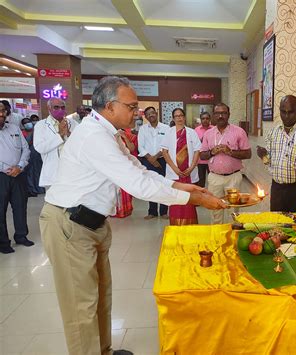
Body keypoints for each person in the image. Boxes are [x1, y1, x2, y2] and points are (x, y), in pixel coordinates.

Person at [39, 76, 226, 355]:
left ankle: (104, 350)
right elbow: (137, 185)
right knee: (81, 308)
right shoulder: (93, 136)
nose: (137, 112)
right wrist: (193, 197)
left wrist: (180, 185)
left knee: (101, 296)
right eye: (132, 106)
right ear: (110, 106)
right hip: (70, 226)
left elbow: (139, 170)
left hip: (92, 224)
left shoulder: (110, 133)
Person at [257, 95, 296, 212]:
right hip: (277, 188)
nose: (286, 116)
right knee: (277, 224)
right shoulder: (274, 132)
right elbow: (269, 160)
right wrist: (263, 155)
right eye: (283, 112)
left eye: (291, 112)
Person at [200, 103, 251, 223]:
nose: (220, 116)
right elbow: (202, 155)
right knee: (215, 209)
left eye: (224, 113)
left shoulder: (239, 132)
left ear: (229, 115)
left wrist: (230, 152)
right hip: (214, 178)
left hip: (233, 177)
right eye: (217, 113)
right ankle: (218, 237)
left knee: (233, 211)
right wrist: (212, 152)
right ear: (214, 115)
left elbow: (248, 154)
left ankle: (232, 236)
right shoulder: (208, 134)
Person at [0, 102, 34, 254]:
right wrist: (6, 169)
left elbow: (25, 149)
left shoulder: (13, 128)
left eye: (2, 111)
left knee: (20, 206)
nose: (1, 114)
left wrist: (19, 166)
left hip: (18, 174)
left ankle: (21, 236)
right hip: (2, 176)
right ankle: (3, 242)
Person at [162, 108, 201, 225]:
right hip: (174, 172)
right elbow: (164, 152)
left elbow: (197, 151)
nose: (179, 118)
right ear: (173, 119)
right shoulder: (169, 132)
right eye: (176, 116)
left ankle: (190, 225)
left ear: (184, 117)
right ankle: (175, 225)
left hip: (189, 172)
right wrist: (175, 169)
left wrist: (192, 167)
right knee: (175, 199)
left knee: (189, 199)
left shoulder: (191, 132)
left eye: (181, 116)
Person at [33, 98, 78, 188]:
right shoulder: (41, 125)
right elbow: (40, 148)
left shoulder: (73, 123)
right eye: (56, 107)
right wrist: (60, 135)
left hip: (72, 172)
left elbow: (80, 144)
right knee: (53, 202)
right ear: (49, 108)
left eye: (62, 107)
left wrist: (69, 134)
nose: (60, 110)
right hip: (52, 174)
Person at [138, 106, 170, 219]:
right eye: (148, 114)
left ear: (156, 113)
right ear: (146, 117)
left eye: (152, 113)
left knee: (164, 185)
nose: (151, 115)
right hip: (147, 160)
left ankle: (164, 211)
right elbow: (140, 146)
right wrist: (150, 158)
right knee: (150, 186)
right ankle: (152, 212)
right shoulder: (143, 129)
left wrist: (156, 157)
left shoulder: (166, 128)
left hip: (163, 159)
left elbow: (167, 145)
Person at [112, 127, 138, 218]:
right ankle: (115, 211)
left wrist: (124, 136)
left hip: (127, 165)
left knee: (125, 189)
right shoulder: (109, 136)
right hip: (114, 166)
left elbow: (131, 148)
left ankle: (125, 209)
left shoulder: (127, 134)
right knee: (115, 190)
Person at [21, 117, 45, 197]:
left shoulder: (36, 131)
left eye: (29, 122)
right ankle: (32, 189)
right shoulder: (22, 133)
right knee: (30, 173)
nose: (28, 124)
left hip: (37, 155)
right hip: (29, 154)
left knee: (38, 171)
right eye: (25, 123)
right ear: (23, 125)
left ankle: (39, 188)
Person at [194, 111, 213, 187]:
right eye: (203, 118)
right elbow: (194, 144)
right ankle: (201, 197)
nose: (205, 120)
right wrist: (200, 140)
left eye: (207, 118)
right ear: (201, 120)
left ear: (210, 119)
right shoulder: (196, 130)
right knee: (200, 181)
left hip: (211, 159)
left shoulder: (214, 129)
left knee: (213, 181)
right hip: (200, 160)